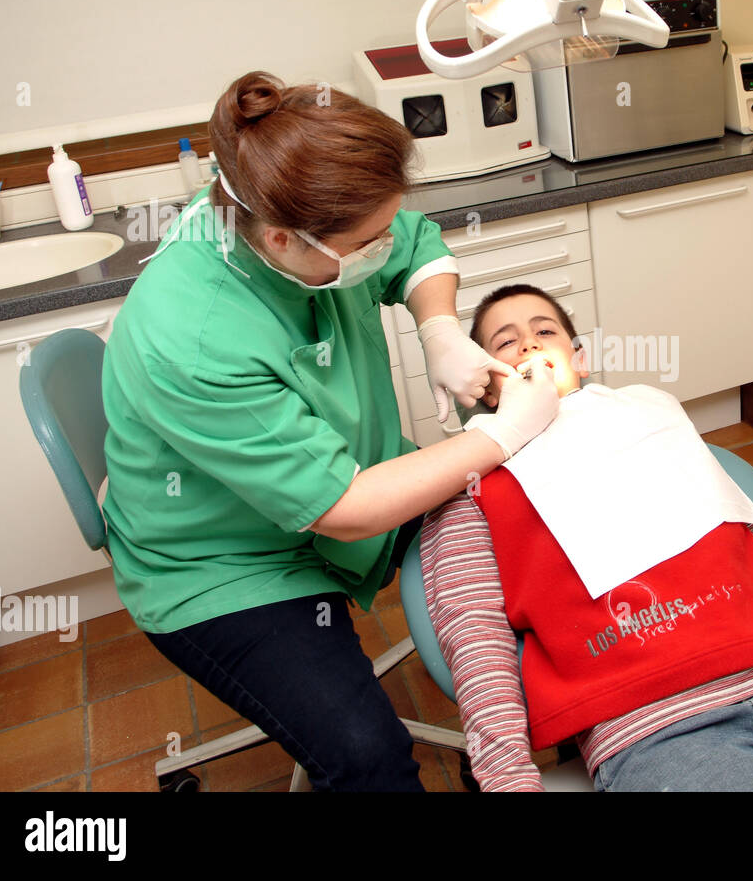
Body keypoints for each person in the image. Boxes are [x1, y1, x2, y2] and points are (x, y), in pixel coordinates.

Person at [100, 73, 559, 791]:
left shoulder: (275, 202)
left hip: (356, 473)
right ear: (284, 240)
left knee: (541, 534)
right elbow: (344, 509)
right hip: (224, 559)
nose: (385, 245)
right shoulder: (192, 338)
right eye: (367, 242)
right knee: (365, 755)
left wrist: (438, 326)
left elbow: (414, 241)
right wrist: (501, 436)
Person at [420, 283, 753, 791]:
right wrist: (508, 779)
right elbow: (476, 640)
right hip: (652, 726)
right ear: (485, 383)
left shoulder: (652, 417)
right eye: (506, 342)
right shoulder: (470, 478)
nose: (530, 343)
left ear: (579, 359)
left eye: (545, 330)